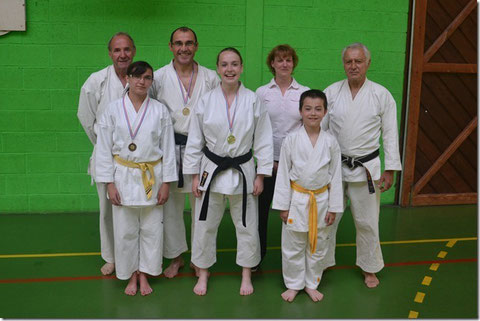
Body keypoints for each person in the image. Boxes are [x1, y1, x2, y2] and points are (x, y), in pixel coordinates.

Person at [183, 47, 273, 296]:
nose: (229, 69)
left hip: (243, 169)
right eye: (224, 64)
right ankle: (202, 272)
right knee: (204, 225)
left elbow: (264, 138)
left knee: (246, 224)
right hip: (210, 169)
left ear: (241, 67)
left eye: (234, 64)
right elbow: (195, 140)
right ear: (218, 68)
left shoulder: (253, 99)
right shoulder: (206, 100)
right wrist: (192, 176)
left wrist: (261, 175)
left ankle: (246, 273)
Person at [321, 42, 402, 288]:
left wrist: (390, 169)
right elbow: (320, 132)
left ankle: (369, 267)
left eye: (358, 61)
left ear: (368, 63)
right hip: (334, 168)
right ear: (343, 64)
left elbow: (389, 134)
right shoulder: (332, 92)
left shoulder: (381, 95)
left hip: (367, 168)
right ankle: (320, 264)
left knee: (367, 221)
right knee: (328, 219)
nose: (353, 66)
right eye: (348, 61)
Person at [95, 61, 177, 296]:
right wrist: (109, 183)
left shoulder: (159, 110)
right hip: (123, 176)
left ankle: (145, 274)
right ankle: (131, 275)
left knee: (151, 230)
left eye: (147, 78)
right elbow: (103, 149)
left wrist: (166, 184)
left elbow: (168, 148)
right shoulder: (112, 109)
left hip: (152, 176)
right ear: (128, 79)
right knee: (125, 231)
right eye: (137, 76)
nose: (142, 81)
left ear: (152, 82)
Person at [151, 26, 220, 278]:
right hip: (169, 148)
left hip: (203, 151)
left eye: (189, 43)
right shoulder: (157, 77)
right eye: (178, 43)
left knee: (202, 207)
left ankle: (199, 259)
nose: (184, 48)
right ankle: (177, 257)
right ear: (170, 46)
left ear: (196, 46)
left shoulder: (211, 77)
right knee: (171, 208)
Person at [272, 89, 343, 303]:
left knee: (318, 244)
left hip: (321, 199)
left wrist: (334, 207)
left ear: (325, 112)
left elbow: (336, 175)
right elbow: (283, 174)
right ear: (300, 111)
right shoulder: (291, 139)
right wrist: (283, 206)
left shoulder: (331, 141)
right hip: (297, 198)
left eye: (318, 109)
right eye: (308, 109)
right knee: (293, 244)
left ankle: (312, 283)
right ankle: (293, 284)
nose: (313, 113)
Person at [77, 32, 136, 276]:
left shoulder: (142, 78)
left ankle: (137, 256)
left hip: (137, 160)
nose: (122, 55)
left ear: (134, 51)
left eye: (127, 49)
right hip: (107, 158)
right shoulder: (97, 81)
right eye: (117, 50)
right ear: (110, 53)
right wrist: (103, 147)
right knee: (108, 209)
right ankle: (111, 257)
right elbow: (85, 117)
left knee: (136, 209)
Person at [255, 44, 309, 270]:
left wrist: (289, 162)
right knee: (260, 214)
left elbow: (308, 128)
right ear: (272, 64)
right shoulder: (261, 93)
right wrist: (267, 163)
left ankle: (295, 262)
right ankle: (256, 258)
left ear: (293, 63)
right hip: (267, 164)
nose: (284, 64)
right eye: (280, 60)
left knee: (294, 214)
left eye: (288, 60)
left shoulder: (304, 92)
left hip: (295, 164)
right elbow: (256, 129)